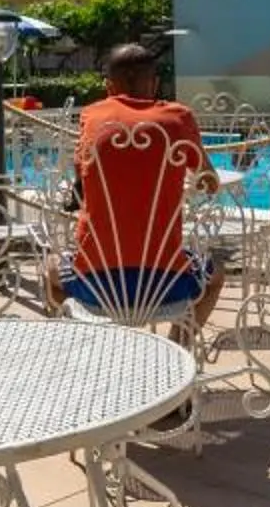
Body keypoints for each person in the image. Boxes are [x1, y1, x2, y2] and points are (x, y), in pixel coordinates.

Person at [50, 44, 225, 339]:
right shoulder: (178, 118)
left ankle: (86, 348)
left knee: (51, 273)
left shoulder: (93, 117)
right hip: (166, 282)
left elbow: (82, 179)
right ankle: (176, 355)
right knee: (216, 275)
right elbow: (209, 183)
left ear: (108, 87)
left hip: (96, 282)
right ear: (155, 84)